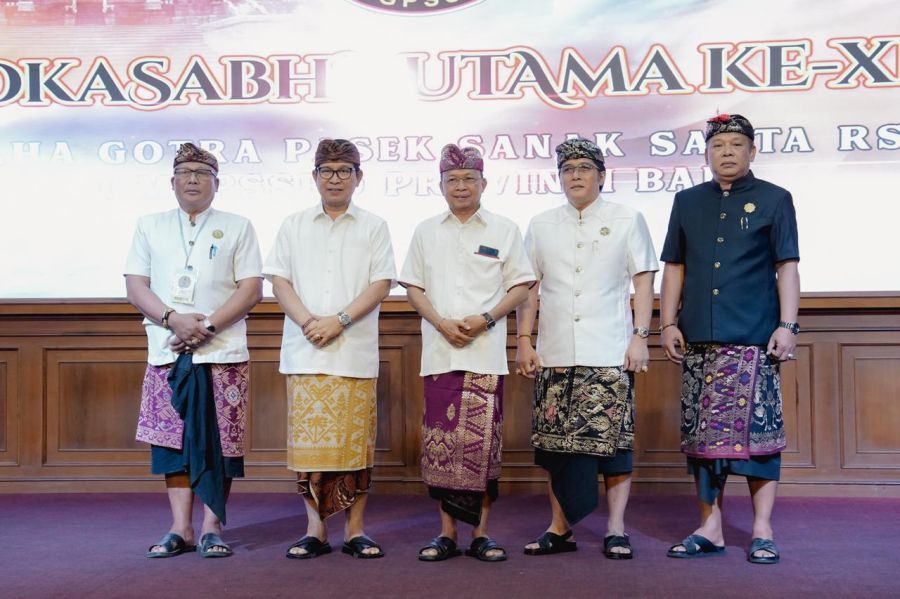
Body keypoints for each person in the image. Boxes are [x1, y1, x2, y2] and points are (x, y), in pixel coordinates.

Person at [660, 113, 800, 565]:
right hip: (699, 336)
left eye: (736, 144)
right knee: (702, 443)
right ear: (706, 153)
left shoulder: (775, 199)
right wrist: (667, 323)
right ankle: (711, 527)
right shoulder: (687, 202)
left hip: (754, 337)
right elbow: (675, 267)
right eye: (718, 145)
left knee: (760, 439)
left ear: (752, 151)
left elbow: (787, 267)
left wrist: (788, 325)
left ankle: (762, 530)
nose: (727, 152)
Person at [516, 137, 658, 559]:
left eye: (583, 167)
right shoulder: (541, 224)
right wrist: (524, 340)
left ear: (601, 174)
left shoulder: (627, 218)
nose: (575, 175)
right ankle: (559, 529)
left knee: (614, 446)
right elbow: (529, 289)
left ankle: (616, 528)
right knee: (555, 446)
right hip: (555, 351)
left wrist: (640, 334)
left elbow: (644, 281)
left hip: (610, 348)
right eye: (567, 169)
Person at [125, 142, 263, 558]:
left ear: (216, 183)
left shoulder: (238, 225)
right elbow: (136, 285)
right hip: (167, 351)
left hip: (221, 351)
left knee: (220, 442)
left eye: (201, 173)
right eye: (185, 172)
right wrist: (174, 320)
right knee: (172, 442)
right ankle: (180, 528)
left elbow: (252, 288)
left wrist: (207, 325)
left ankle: (211, 527)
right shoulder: (150, 225)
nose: (192, 179)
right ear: (172, 181)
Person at [399, 143, 535, 563]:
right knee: (440, 445)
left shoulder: (504, 229)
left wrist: (486, 320)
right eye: (452, 180)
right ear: (441, 186)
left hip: (484, 354)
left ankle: (481, 534)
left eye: (469, 179)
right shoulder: (426, 230)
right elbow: (413, 287)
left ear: (484, 184)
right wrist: (441, 322)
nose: (461, 187)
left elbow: (521, 285)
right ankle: (445, 534)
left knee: (481, 449)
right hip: (440, 355)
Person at [264, 138, 396, 560]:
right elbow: (279, 280)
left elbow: (381, 283)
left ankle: (356, 530)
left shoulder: (374, 225)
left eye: (344, 171)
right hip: (305, 352)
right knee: (309, 448)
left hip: (353, 352)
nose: (335, 178)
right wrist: (308, 321)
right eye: (327, 171)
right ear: (314, 177)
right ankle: (314, 531)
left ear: (359, 178)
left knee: (355, 447)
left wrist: (338, 320)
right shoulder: (293, 224)